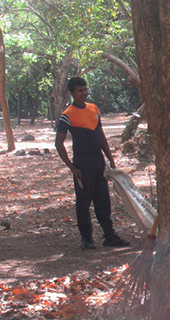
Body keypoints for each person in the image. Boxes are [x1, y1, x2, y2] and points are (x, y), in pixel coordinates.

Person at [55, 77, 130, 250]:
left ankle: (109, 236)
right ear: (72, 93)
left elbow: (101, 135)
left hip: (98, 160)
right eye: (80, 91)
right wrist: (72, 168)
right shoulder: (67, 115)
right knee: (83, 201)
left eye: (85, 90)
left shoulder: (93, 109)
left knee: (103, 200)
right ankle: (86, 238)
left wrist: (110, 158)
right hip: (82, 163)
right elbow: (58, 144)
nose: (84, 93)